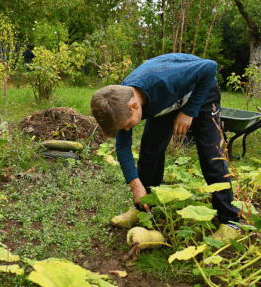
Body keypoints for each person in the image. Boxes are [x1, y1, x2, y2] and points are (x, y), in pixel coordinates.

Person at [90, 53, 240, 240]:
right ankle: (143, 208)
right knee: (149, 151)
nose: (127, 129)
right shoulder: (119, 100)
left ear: (134, 106)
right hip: (167, 100)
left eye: (128, 125)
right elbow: (123, 146)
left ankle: (230, 221)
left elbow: (210, 66)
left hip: (200, 90)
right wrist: (135, 184)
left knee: (211, 155)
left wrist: (189, 111)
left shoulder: (165, 79)